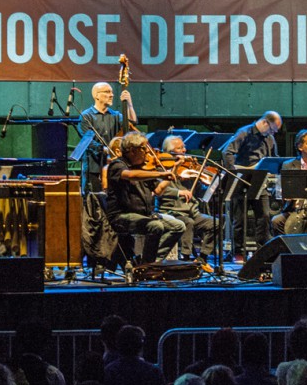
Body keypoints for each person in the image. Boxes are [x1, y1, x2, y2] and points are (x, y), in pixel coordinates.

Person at [105, 132, 185, 264]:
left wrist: (174, 170)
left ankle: (148, 261)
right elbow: (130, 176)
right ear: (132, 150)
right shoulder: (117, 166)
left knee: (178, 226)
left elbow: (158, 190)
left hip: (144, 215)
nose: (148, 151)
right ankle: (147, 265)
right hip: (122, 216)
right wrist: (159, 173)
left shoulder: (144, 169)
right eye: (143, 148)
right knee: (156, 226)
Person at [223, 111, 282, 260]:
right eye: (272, 129)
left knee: (264, 216)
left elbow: (274, 159)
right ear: (264, 123)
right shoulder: (244, 133)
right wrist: (235, 173)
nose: (272, 133)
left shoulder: (269, 139)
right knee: (239, 219)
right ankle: (238, 252)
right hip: (241, 180)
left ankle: (262, 251)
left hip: (259, 180)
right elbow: (227, 152)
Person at [157, 135, 216, 272]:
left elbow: (198, 192)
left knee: (216, 223)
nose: (184, 150)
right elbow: (159, 190)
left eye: (184, 147)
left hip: (192, 211)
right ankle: (186, 258)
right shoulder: (161, 168)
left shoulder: (188, 169)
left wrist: (207, 185)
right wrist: (179, 192)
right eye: (179, 148)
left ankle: (202, 258)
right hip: (172, 211)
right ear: (169, 151)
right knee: (187, 222)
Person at [79, 81, 137, 193]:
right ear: (96, 95)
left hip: (113, 166)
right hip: (94, 166)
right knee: (94, 198)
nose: (112, 95)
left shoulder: (116, 115)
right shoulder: (86, 116)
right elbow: (88, 141)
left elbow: (132, 123)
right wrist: (107, 150)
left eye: (112, 92)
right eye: (107, 92)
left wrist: (129, 104)